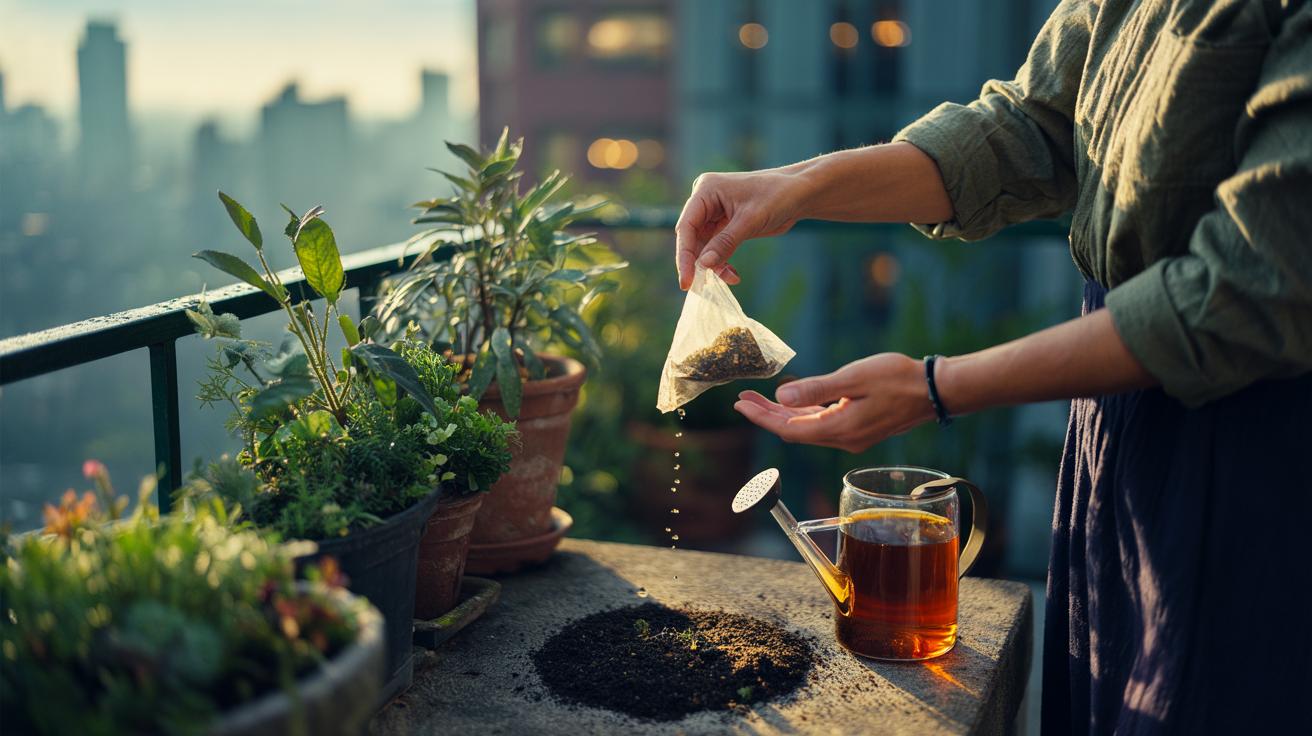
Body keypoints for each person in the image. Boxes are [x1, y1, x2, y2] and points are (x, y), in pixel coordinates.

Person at [674, 0, 1312, 733]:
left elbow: (1251, 291)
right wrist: (799, 183)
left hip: (1256, 441)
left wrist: (937, 387)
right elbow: (1027, 131)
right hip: (1113, 425)